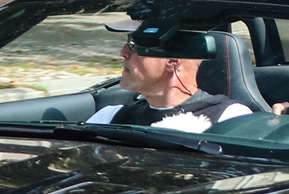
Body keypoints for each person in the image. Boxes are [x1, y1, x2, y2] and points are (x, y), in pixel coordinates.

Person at [85, 29, 255, 134]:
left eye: (136, 46)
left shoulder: (228, 118)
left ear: (173, 61)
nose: (123, 52)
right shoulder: (110, 117)